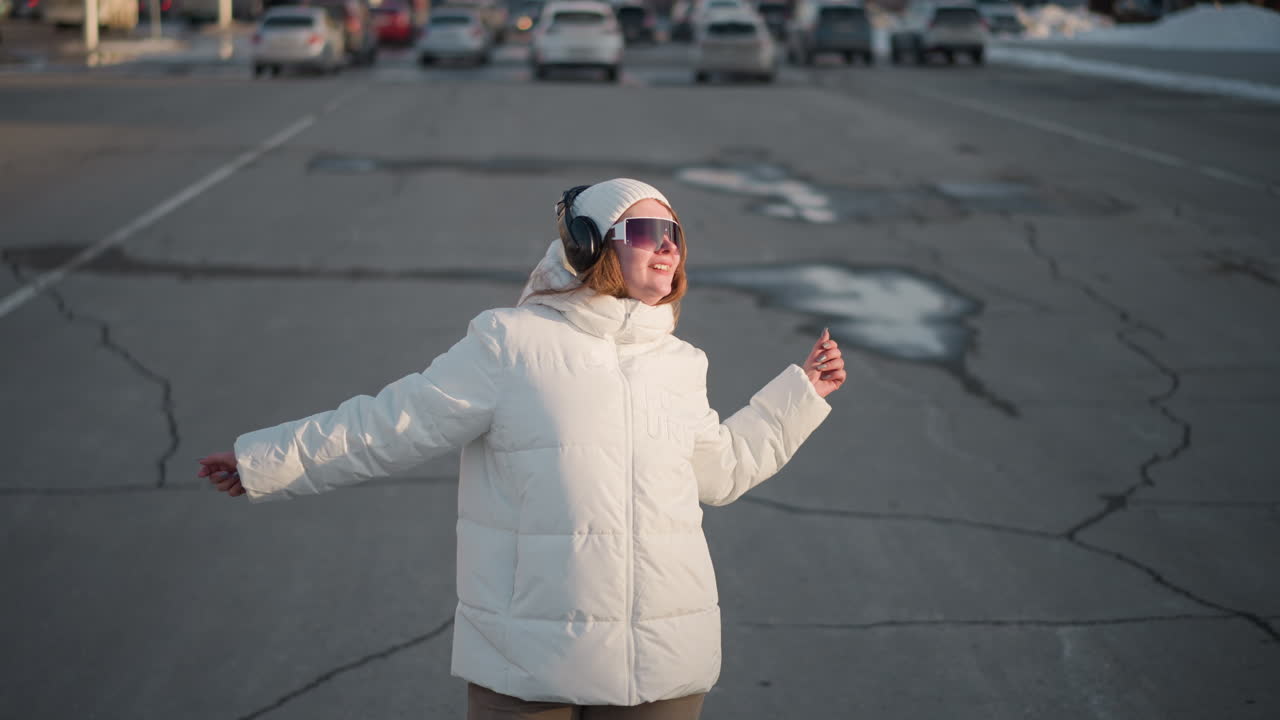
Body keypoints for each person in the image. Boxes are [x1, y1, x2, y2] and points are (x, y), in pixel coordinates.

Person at [198, 178, 846, 719]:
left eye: (675, 235)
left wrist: (801, 395)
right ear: (592, 245)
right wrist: (268, 462)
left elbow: (722, 471)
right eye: (647, 234)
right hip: (530, 661)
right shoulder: (511, 344)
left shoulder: (680, 362)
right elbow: (391, 425)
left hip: (665, 664)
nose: (668, 249)